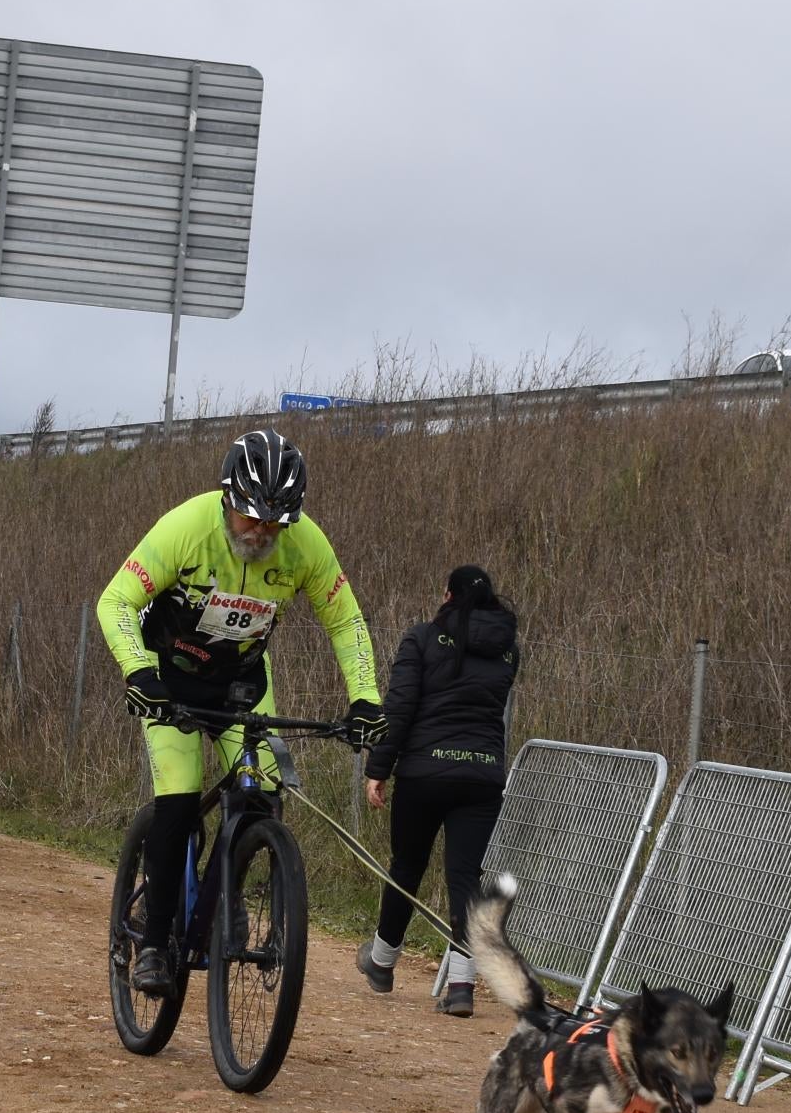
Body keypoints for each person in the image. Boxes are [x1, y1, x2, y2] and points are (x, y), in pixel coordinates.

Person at [97, 430, 383, 994]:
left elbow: (346, 621)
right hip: (169, 676)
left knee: (263, 794)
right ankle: (154, 943)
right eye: (251, 518)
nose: (261, 532)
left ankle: (223, 893)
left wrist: (366, 698)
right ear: (227, 499)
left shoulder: (306, 546)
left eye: (276, 523)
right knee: (179, 799)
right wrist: (138, 673)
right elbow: (116, 601)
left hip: (240, 683)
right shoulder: (187, 526)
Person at [358, 565, 520, 1017]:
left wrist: (379, 767)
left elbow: (400, 706)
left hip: (423, 774)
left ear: (446, 595)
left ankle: (382, 962)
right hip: (482, 776)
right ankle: (462, 986)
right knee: (465, 877)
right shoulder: (508, 650)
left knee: (407, 865)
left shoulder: (422, 638)